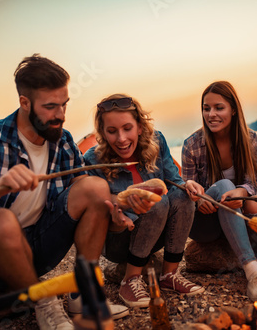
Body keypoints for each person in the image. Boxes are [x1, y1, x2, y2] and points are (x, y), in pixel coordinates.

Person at [0, 54, 128, 330]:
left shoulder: (62, 139)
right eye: (50, 106)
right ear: (24, 102)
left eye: (64, 104)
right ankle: (45, 305)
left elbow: (91, 200)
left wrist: (123, 204)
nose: (60, 115)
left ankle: (83, 295)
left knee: (96, 187)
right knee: (2, 221)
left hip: (39, 246)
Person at [83, 94, 204, 308]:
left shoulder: (157, 142)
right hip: (117, 237)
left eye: (127, 128)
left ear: (139, 126)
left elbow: (174, 181)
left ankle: (169, 275)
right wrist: (117, 211)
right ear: (102, 133)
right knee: (157, 201)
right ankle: (129, 280)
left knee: (181, 195)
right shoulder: (93, 159)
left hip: (155, 231)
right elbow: (95, 206)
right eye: (112, 131)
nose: (121, 139)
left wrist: (189, 186)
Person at [181, 81, 257, 302]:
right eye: (206, 108)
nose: (211, 114)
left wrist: (240, 193)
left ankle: (244, 258)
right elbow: (186, 191)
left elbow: (252, 183)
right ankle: (252, 270)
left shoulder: (250, 139)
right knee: (223, 186)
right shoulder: (192, 145)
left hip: (234, 214)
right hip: (205, 222)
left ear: (233, 109)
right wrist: (198, 199)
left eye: (218, 107)